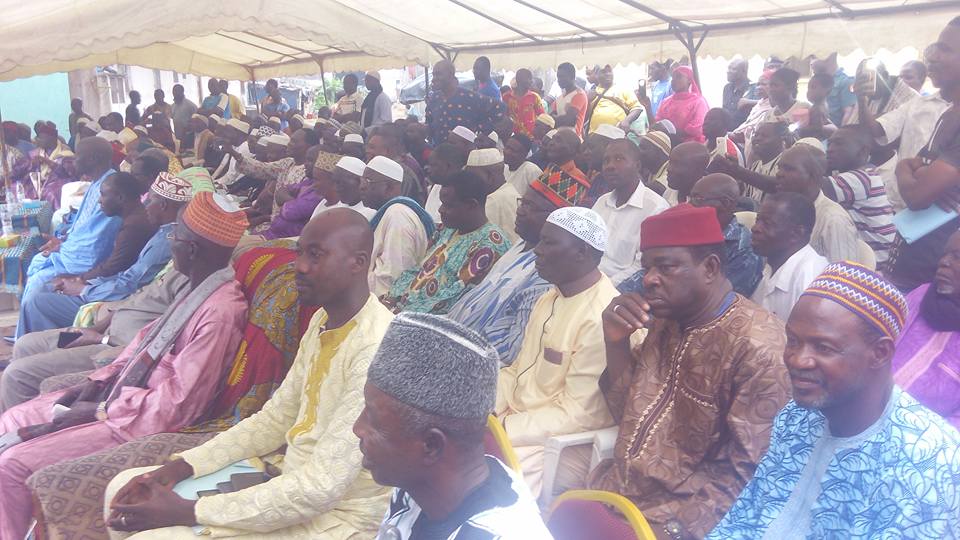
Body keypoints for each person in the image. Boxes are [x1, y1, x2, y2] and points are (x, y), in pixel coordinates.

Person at [102, 209, 395, 539]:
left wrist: (189, 511)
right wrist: (182, 466)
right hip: (288, 478)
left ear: (357, 262)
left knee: (154, 537)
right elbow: (275, 419)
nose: (299, 266)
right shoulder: (322, 321)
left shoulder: (375, 348)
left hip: (337, 517)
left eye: (316, 255)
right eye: (300, 252)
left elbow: (321, 488)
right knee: (123, 492)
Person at [0, 193, 249, 539]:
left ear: (191, 249)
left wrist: (101, 410)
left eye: (174, 235)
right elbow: (139, 347)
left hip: (133, 422)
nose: (170, 242)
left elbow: (178, 405)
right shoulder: (196, 289)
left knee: (10, 466)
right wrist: (96, 381)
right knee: (11, 420)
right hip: (120, 400)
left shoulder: (220, 312)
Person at [708, 262, 960, 539]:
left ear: (880, 353)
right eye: (793, 341)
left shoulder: (927, 466)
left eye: (824, 348)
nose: (797, 360)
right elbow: (749, 512)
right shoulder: (796, 416)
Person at [590, 203, 790, 538]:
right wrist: (616, 342)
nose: (649, 279)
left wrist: (674, 530)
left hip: (672, 522)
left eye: (666, 267)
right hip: (613, 493)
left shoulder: (759, 349)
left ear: (710, 267)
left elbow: (747, 474)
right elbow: (627, 412)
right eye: (647, 267)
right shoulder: (668, 319)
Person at [355, 313, 552, 539]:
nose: (357, 428)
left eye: (374, 419)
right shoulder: (415, 488)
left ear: (431, 445)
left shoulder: (496, 534)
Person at [497, 206, 618, 497]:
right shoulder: (550, 297)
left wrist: (502, 427)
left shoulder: (601, 316)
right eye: (541, 240)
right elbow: (517, 371)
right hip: (520, 420)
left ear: (582, 252)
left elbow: (579, 414)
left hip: (565, 443)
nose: (537, 250)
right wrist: (485, 408)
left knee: (481, 473)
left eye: (549, 243)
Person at [447, 173, 584, 364]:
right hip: (454, 336)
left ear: (555, 220)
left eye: (531, 207)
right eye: (523, 202)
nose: (520, 211)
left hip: (474, 358)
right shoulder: (521, 244)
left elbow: (511, 351)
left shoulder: (546, 274)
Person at [18, 172, 163, 335]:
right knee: (44, 288)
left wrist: (81, 283)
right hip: (109, 287)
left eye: (103, 195)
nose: (99, 200)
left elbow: (116, 270)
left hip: (114, 298)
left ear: (120, 198)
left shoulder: (134, 226)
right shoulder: (133, 221)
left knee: (36, 300)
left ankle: (41, 344)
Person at [15, 138, 122, 340]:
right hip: (71, 254)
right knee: (37, 266)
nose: (73, 159)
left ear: (93, 158)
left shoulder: (111, 188)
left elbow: (95, 245)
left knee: (39, 283)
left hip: (85, 267)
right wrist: (62, 242)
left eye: (78, 155)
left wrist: (63, 251)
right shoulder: (97, 183)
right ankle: (26, 338)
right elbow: (82, 230)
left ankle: (39, 341)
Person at [886, 18, 960, 292]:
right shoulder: (949, 114)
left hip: (935, 274)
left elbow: (917, 196)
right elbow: (913, 165)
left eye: (945, 49)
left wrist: (912, 173)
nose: (933, 57)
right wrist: (905, 169)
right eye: (934, 48)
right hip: (914, 256)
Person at [382, 170, 510, 314]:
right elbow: (419, 268)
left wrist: (399, 313)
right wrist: (391, 298)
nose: (440, 210)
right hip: (400, 310)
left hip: (427, 320)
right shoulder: (448, 229)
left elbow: (452, 300)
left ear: (471, 205)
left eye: (448, 205)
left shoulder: (489, 246)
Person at [888, 229, 959, 428]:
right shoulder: (922, 295)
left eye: (957, 257)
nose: (944, 262)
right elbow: (881, 343)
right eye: (944, 254)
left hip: (922, 438)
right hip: (868, 411)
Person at [592, 139, 669, 284]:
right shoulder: (602, 202)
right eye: (606, 161)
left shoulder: (656, 208)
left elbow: (642, 267)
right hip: (584, 280)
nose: (610, 166)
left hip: (617, 289)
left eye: (619, 159)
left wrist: (602, 288)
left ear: (637, 165)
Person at [750, 192, 829, 320]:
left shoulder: (810, 280)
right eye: (757, 220)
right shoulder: (772, 265)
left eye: (767, 224)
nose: (755, 228)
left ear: (797, 233)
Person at [362, 155, 434, 296]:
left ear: (389, 187)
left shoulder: (398, 216)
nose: (362, 186)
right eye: (362, 180)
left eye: (368, 181)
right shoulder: (390, 213)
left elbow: (393, 280)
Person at [776, 143, 860, 263]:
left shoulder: (834, 220)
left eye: (789, 169)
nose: (779, 174)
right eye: (779, 168)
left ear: (813, 176)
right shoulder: (785, 209)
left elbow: (842, 272)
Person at [824, 125, 895, 265]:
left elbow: (810, 187)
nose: (830, 149)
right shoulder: (864, 174)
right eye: (829, 143)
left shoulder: (861, 179)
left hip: (876, 267)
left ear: (863, 151)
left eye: (839, 144)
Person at [427, 60, 505, 145]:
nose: (434, 79)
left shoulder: (470, 97)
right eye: (433, 75)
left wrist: (484, 133)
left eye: (438, 74)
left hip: (465, 152)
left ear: (450, 74)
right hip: (439, 150)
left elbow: (500, 108)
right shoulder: (434, 98)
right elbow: (429, 123)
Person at [710, 120, 788, 204]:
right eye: (756, 135)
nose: (757, 138)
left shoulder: (786, 163)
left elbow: (778, 185)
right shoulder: (755, 165)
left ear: (781, 139)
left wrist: (738, 171)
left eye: (764, 136)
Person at [466, 148, 520, 244]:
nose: (468, 183)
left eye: (472, 177)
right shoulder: (510, 191)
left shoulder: (493, 201)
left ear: (489, 176)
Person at [367, 126, 429, 205]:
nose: (367, 151)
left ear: (386, 151)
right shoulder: (379, 167)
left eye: (372, 147)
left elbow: (400, 204)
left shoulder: (403, 174)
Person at [535, 128, 590, 206]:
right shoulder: (550, 168)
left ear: (572, 150)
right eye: (553, 139)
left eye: (558, 140)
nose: (551, 143)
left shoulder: (578, 179)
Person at [655, 65, 710, 143]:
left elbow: (697, 128)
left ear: (689, 80)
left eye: (679, 76)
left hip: (691, 146)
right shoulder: (666, 102)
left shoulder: (698, 102)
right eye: (673, 77)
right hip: (667, 143)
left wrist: (672, 134)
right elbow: (658, 122)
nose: (674, 80)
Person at [586, 64, 643, 134]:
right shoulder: (592, 92)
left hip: (617, 135)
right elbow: (583, 117)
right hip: (595, 135)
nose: (608, 74)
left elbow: (637, 108)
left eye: (609, 71)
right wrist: (587, 100)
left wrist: (626, 121)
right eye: (603, 72)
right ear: (596, 75)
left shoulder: (623, 89)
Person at [424, 142, 469, 224]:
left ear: (448, 166)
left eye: (434, 165)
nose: (429, 170)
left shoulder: (465, 191)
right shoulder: (436, 186)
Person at [580, 124, 625, 202]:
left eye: (591, 147)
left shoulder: (619, 182)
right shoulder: (599, 178)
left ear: (608, 147)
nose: (585, 153)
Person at [811, 53, 857, 127]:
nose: (811, 62)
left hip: (833, 131)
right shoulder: (816, 79)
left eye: (814, 57)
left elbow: (849, 115)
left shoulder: (846, 81)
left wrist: (838, 133)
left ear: (829, 55)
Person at [665, 141, 710, 205]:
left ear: (699, 171)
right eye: (670, 162)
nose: (668, 169)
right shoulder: (669, 193)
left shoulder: (707, 203)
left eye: (677, 165)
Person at [503, 69, 545, 138]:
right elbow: (504, 116)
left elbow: (542, 117)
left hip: (531, 137)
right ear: (519, 80)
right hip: (513, 137)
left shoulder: (534, 97)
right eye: (529, 79)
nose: (531, 81)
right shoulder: (507, 97)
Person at [553, 62, 588, 135]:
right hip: (558, 135)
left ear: (572, 77)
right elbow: (553, 115)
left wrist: (553, 119)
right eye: (558, 77)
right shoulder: (560, 97)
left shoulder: (579, 95)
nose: (559, 80)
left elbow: (569, 120)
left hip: (572, 137)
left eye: (562, 77)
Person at [723, 59, 757, 131]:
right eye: (729, 68)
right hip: (728, 131)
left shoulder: (753, 88)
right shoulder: (727, 88)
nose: (728, 71)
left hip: (744, 131)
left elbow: (764, 104)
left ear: (744, 72)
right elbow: (724, 110)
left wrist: (749, 102)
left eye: (733, 69)